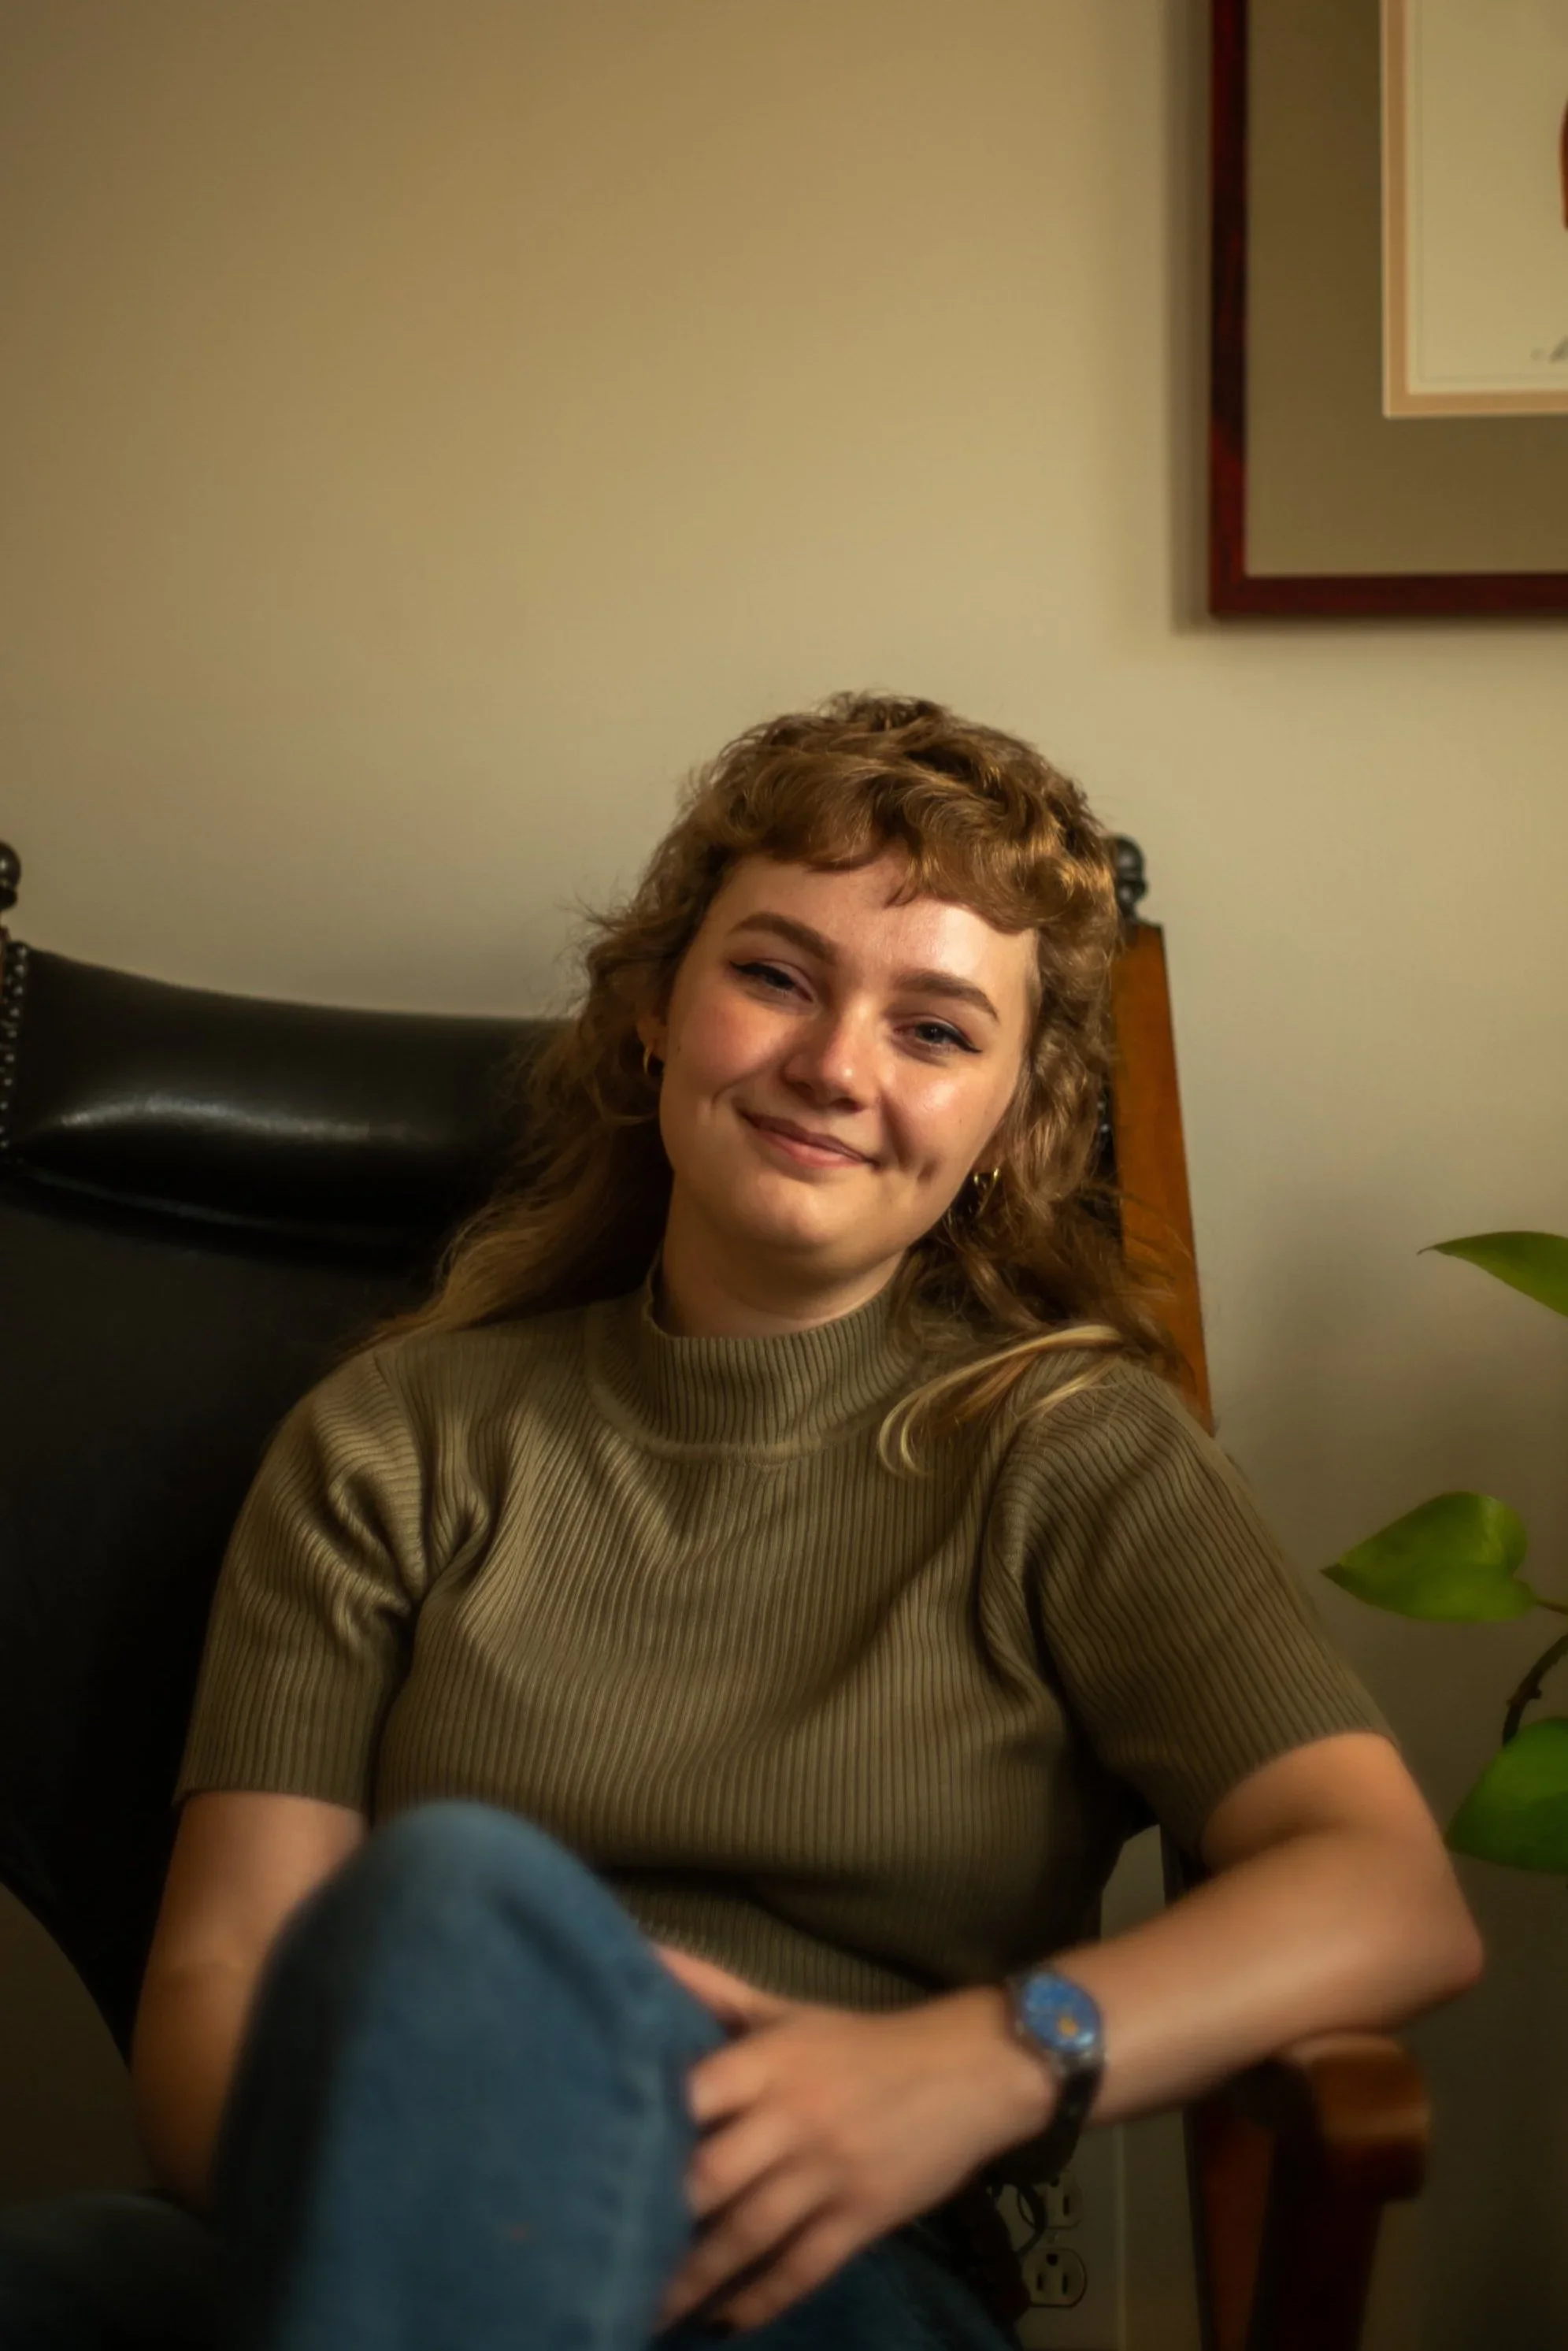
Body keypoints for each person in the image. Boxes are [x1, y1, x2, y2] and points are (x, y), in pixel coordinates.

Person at [0, 693, 1481, 2351]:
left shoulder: (1070, 1452)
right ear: (652, 1010)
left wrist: (990, 2054)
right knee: (440, 1923)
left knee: (454, 1900)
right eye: (774, 974)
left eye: (933, 1030)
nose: (833, 1066)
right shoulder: (391, 1441)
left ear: (1014, 1122)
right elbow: (218, 1994)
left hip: (811, 2268)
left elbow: (1383, 1893)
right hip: (341, 2211)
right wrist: (430, 2199)